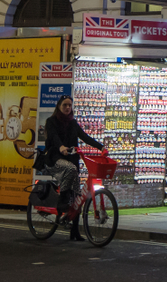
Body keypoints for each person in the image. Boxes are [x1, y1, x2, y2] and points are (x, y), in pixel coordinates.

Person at [44, 95, 103, 241]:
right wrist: (61, 147)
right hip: (55, 159)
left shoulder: (73, 123)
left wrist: (101, 147)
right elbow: (54, 137)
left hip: (71, 160)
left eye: (69, 105)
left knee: (77, 195)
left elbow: (85, 137)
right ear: (59, 106)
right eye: (64, 105)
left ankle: (75, 231)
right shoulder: (51, 121)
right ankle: (62, 200)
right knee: (71, 169)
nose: (67, 108)